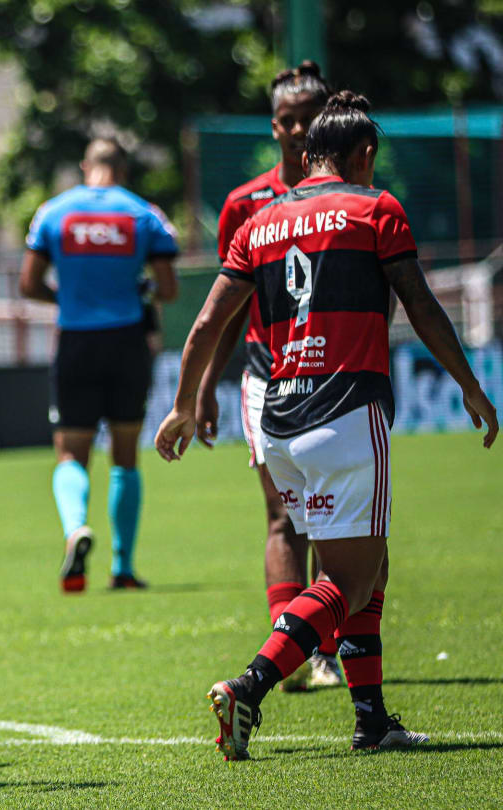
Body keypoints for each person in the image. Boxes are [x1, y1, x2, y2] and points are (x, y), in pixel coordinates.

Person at [155, 91, 498, 760]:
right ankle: (248, 687)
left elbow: (205, 324)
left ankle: (372, 721)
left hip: (280, 419)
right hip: (346, 411)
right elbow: (422, 307)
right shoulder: (375, 208)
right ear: (362, 154)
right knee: (349, 582)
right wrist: (471, 385)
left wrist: (181, 403)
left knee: (369, 565)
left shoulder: (259, 222)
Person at [198, 61, 343, 692]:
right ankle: (295, 651)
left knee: (330, 518)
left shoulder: (348, 201)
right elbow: (223, 309)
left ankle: (323, 651)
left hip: (333, 376)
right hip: (266, 377)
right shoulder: (245, 204)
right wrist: (204, 385)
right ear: (274, 127)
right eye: (287, 120)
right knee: (285, 518)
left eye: (308, 118)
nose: (297, 129)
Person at [19, 137, 179, 592]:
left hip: (76, 342)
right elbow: (168, 290)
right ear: (123, 170)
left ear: (85, 165)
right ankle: (123, 568)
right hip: (128, 343)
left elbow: (28, 284)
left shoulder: (53, 212)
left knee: (71, 453)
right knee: (125, 455)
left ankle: (76, 531)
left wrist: (67, 296)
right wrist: (138, 289)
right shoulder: (144, 214)